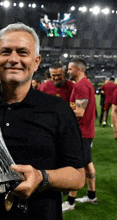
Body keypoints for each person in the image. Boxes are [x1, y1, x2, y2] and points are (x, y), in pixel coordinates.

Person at [0, 23, 85, 220]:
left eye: (22, 52)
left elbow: (78, 177)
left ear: (36, 62)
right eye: (5, 52)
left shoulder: (58, 109)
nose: (13, 59)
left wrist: (42, 177)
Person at [62, 58, 97, 212]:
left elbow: (80, 112)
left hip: (81, 133)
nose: (68, 72)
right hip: (86, 132)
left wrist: (61, 112)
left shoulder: (82, 86)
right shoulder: (85, 84)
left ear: (78, 69)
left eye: (70, 69)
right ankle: (91, 196)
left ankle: (70, 202)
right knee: (88, 165)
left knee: (77, 167)